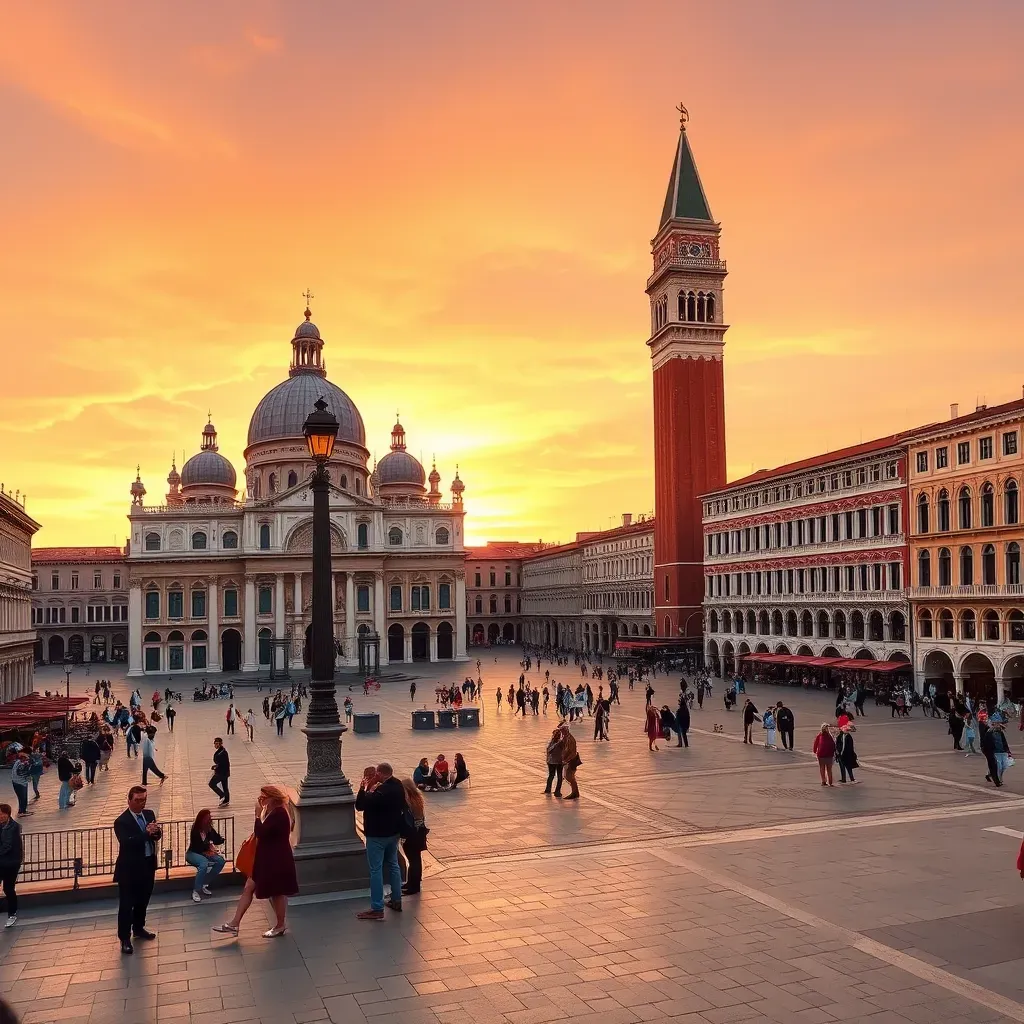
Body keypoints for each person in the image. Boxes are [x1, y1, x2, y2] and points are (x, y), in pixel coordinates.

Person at [214, 786, 297, 938]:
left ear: (273, 798)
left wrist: (258, 816)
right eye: (260, 798)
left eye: (263, 798)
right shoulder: (275, 811)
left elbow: (262, 832)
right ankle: (235, 923)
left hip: (275, 861)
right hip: (268, 860)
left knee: (277, 892)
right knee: (249, 887)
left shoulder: (279, 813)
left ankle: (280, 925)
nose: (261, 800)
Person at [355, 764, 407, 920]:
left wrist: (364, 787)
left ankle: (377, 907)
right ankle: (396, 900)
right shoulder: (397, 785)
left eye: (377, 773)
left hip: (377, 836)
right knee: (393, 864)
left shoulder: (380, 793)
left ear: (381, 774)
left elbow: (360, 805)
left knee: (376, 870)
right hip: (393, 834)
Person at [113, 785, 161, 954]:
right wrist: (146, 834)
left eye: (144, 800)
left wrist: (155, 832)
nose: (141, 803)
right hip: (129, 869)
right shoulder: (122, 821)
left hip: (148, 865)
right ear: (129, 800)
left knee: (143, 900)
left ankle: (139, 928)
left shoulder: (149, 814)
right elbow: (127, 843)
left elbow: (155, 836)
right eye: (138, 800)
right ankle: (124, 938)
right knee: (127, 904)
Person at [185, 809, 226, 903]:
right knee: (204, 864)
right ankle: (196, 890)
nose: (208, 820)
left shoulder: (209, 829)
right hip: (193, 853)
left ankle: (205, 883)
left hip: (206, 852)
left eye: (209, 818)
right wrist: (209, 848)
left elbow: (216, 839)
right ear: (201, 819)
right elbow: (198, 846)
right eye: (207, 818)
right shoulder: (195, 830)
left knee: (220, 861)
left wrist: (220, 840)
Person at [399, 779, 428, 896]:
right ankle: (412, 882)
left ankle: (413, 886)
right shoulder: (418, 798)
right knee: (416, 859)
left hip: (411, 834)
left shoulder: (407, 801)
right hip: (419, 832)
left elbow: (406, 819)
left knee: (413, 860)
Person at [0, 803, 22, 928]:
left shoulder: (13, 827)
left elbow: (7, 846)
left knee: (8, 888)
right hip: (1, 862)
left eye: (2, 814)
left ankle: (12, 913)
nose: (0, 816)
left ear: (7, 814)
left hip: (11, 863)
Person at [561, 724, 580, 800]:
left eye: (562, 731)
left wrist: (566, 760)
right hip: (568, 759)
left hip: (572, 760)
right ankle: (575, 792)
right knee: (568, 776)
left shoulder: (571, 739)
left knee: (570, 777)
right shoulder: (566, 738)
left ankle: (575, 793)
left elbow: (572, 752)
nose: (562, 733)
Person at [543, 728, 565, 796]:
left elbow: (548, 750)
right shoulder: (558, 742)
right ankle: (554, 791)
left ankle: (552, 790)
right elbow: (549, 750)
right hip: (556, 762)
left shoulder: (555, 742)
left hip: (554, 761)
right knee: (557, 776)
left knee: (554, 776)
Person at [209, 737, 230, 806]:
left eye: (218, 744)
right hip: (224, 772)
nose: (216, 745)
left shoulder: (222, 752)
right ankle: (226, 800)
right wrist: (216, 766)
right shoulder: (221, 751)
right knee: (225, 786)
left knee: (212, 784)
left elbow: (223, 764)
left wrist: (216, 767)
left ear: (221, 744)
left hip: (221, 773)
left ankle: (222, 795)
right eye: (215, 743)